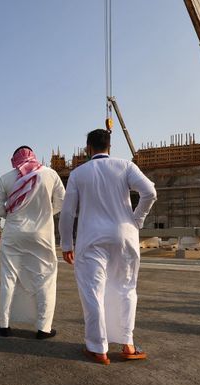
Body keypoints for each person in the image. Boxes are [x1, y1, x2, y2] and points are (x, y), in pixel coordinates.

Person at [59, 129, 157, 365]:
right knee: (125, 288)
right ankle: (128, 344)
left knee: (93, 292)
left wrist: (65, 243)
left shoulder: (79, 174)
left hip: (91, 239)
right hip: (124, 236)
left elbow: (68, 212)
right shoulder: (125, 166)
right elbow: (150, 192)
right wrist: (137, 219)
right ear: (109, 147)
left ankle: (98, 348)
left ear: (88, 148)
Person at [0, 146, 65, 338]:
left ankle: (4, 325)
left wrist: (13, 209)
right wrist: (46, 213)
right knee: (45, 279)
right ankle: (43, 328)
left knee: (8, 279)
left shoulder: (6, 178)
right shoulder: (50, 174)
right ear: (33, 155)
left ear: (14, 159)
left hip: (13, 234)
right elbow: (61, 201)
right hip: (42, 234)